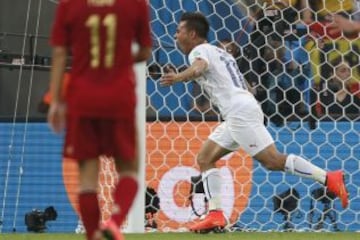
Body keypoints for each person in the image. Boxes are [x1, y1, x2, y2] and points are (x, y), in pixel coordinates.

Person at [160, 12, 349, 234]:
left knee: (272, 161)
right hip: (239, 110)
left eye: (178, 31)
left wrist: (179, 77)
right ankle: (215, 214)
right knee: (205, 158)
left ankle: (328, 178)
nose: (175, 35)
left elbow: (199, 67)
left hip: (239, 112)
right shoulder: (219, 52)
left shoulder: (199, 52)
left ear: (192, 33)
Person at [48, 1, 151, 240]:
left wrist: (56, 100)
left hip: (82, 98)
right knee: (129, 169)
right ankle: (114, 222)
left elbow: (61, 52)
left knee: (87, 178)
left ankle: (93, 235)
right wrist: (122, 60)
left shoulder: (70, 5)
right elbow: (146, 51)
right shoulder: (136, 5)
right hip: (119, 96)